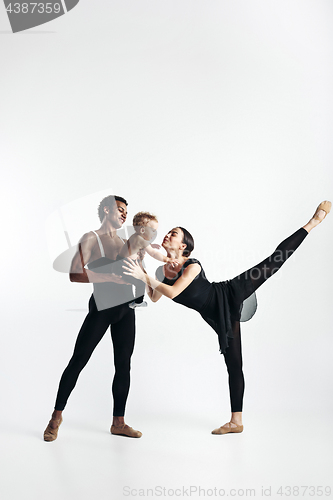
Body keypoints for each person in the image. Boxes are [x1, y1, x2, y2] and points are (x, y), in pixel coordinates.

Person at [122, 201, 331, 435]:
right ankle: (236, 422)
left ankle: (313, 222)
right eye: (169, 232)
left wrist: (144, 275)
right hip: (215, 316)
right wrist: (142, 270)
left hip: (228, 294)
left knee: (273, 262)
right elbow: (155, 296)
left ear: (184, 246)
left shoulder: (193, 266)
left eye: (174, 233)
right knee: (234, 363)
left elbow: (171, 293)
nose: (168, 234)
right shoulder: (162, 272)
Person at [43, 195, 142, 441]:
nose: (123, 215)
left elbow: (137, 274)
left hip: (125, 309)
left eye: (126, 213)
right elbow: (75, 274)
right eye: (120, 210)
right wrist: (108, 278)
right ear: (106, 210)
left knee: (123, 364)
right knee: (78, 360)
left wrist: (141, 269)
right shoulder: (91, 237)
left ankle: (118, 422)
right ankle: (56, 417)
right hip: (102, 307)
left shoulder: (125, 241)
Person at [117, 211, 178, 309]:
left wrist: (150, 245)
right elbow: (153, 253)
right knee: (141, 282)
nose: (155, 233)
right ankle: (138, 302)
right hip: (125, 265)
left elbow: (139, 246)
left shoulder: (135, 237)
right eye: (153, 230)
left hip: (119, 261)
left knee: (138, 277)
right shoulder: (141, 240)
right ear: (142, 230)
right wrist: (168, 259)